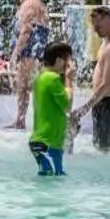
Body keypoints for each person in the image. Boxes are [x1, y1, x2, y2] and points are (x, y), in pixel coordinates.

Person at [72, 6, 110, 153]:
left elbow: (106, 84)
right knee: (102, 150)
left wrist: (84, 109)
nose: (95, 30)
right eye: (94, 26)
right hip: (106, 103)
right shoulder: (108, 39)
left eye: (98, 26)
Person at [6, 0, 50, 130]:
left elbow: (26, 31)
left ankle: (24, 120)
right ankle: (22, 119)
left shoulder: (29, 4)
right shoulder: (38, 4)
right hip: (34, 52)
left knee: (25, 86)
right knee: (26, 86)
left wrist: (15, 54)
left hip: (30, 52)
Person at [29, 42, 74, 174]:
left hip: (40, 140)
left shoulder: (40, 78)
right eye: (68, 59)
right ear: (59, 60)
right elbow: (67, 106)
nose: (69, 64)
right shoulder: (53, 79)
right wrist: (69, 79)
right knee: (55, 178)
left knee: (49, 177)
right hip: (49, 143)